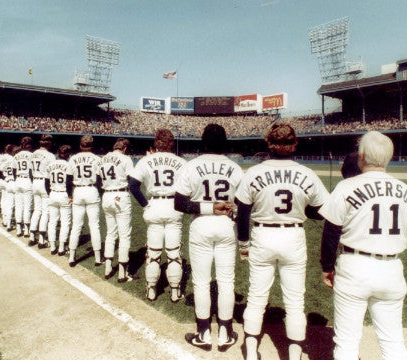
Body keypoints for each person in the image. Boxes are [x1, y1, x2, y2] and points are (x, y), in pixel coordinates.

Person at [235, 123, 329, 360]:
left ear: (269, 143)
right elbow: (323, 210)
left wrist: (243, 244)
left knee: (257, 297)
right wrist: (302, 210)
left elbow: (243, 211)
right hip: (293, 235)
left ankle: (250, 350)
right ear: (294, 144)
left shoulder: (254, 172)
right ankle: (294, 353)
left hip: (263, 235)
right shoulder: (307, 173)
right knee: (295, 300)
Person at [320, 131, 407, 360]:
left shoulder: (346, 187)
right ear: (389, 157)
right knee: (393, 342)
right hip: (391, 268)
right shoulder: (406, 190)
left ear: (361, 156)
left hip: (355, 266)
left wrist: (327, 267)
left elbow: (331, 233)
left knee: (347, 343)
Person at [174, 124, 243, 352]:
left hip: (201, 225)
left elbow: (179, 203)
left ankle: (203, 333)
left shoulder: (190, 166)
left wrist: (208, 208)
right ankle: (225, 333)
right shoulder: (235, 168)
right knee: (226, 281)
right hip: (226, 225)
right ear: (225, 143)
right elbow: (243, 205)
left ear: (202, 142)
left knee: (201, 282)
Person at [130, 129, 186, 301]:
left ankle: (151, 289)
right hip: (173, 205)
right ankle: (175, 291)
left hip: (154, 204)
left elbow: (133, 186)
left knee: (153, 252)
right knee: (173, 252)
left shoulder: (145, 161)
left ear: (156, 142)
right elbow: (187, 189)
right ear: (172, 143)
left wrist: (146, 205)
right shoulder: (181, 161)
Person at [100, 138, 138, 282]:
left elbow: (99, 181)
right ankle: (123, 273)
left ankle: (108, 268)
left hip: (106, 195)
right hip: (120, 194)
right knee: (124, 235)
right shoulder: (125, 159)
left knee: (111, 233)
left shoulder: (102, 159)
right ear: (125, 148)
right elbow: (133, 180)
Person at [67, 135, 102, 267]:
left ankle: (71, 256)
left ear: (81, 145)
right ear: (91, 146)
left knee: (76, 225)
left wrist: (69, 195)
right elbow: (99, 180)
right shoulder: (97, 159)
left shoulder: (73, 158)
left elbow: (68, 180)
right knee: (94, 225)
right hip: (91, 189)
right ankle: (98, 258)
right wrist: (99, 193)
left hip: (78, 190)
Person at [29, 134, 56, 248]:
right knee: (45, 211)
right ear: (49, 143)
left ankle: (31, 237)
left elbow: (30, 172)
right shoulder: (50, 155)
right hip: (44, 182)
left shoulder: (33, 153)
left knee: (37, 210)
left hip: (35, 181)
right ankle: (41, 240)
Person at [46, 145, 72, 255]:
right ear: (68, 154)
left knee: (52, 221)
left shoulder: (50, 165)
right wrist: (70, 195)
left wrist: (50, 193)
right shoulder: (68, 165)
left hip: (53, 193)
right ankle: (61, 247)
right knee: (65, 221)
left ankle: (52, 246)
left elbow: (46, 183)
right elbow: (69, 183)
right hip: (64, 194)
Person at [14, 136, 34, 238]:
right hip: (27, 180)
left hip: (18, 179)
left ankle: (18, 229)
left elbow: (13, 170)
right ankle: (26, 230)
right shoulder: (32, 155)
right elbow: (31, 171)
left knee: (19, 206)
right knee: (27, 207)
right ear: (29, 145)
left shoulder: (16, 155)